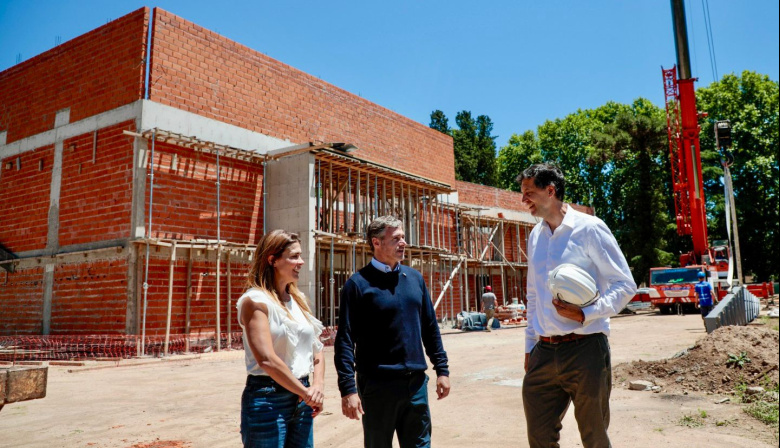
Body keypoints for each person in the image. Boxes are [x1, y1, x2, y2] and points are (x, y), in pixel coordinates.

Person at [518, 163, 636, 448]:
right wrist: (529, 346)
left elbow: (625, 285)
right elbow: (533, 295)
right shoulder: (536, 236)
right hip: (543, 351)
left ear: (550, 190)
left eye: (529, 193)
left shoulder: (590, 229)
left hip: (586, 350)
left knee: (594, 437)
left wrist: (587, 313)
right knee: (539, 437)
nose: (524, 200)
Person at [334, 216, 451, 448]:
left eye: (403, 237)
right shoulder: (358, 284)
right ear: (376, 242)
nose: (403, 242)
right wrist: (347, 389)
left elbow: (430, 328)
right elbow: (345, 340)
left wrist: (442, 369)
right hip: (378, 387)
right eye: (396, 238)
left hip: (416, 385)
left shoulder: (415, 279)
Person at [236, 230, 325, 448]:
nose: (301, 262)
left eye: (300, 255)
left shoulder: (298, 299)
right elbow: (266, 359)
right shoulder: (255, 301)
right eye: (293, 256)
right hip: (268, 399)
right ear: (272, 260)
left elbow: (317, 349)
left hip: (302, 398)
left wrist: (317, 387)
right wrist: (305, 393)